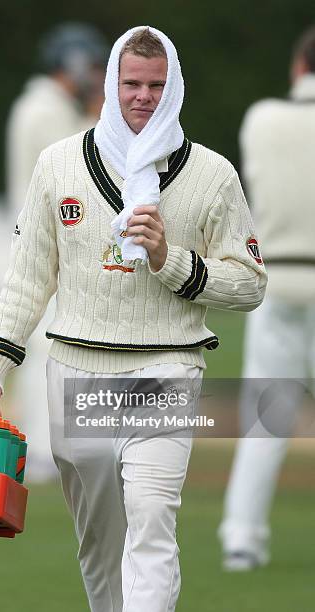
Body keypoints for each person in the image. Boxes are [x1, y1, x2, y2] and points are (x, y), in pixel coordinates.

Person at [0, 26, 266, 612]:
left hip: (166, 367)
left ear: (173, 87)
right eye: (131, 83)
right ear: (110, 83)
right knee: (102, 542)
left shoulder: (212, 175)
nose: (143, 97)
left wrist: (168, 260)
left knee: (152, 520)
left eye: (157, 85)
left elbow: (251, 286)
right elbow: (27, 281)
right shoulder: (57, 165)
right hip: (76, 369)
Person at [218, 26, 315, 572]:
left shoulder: (262, 118)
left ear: (299, 68)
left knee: (267, 419)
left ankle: (242, 538)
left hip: (275, 280)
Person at [6, 23, 108, 482]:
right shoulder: (43, 110)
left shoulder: (44, 107)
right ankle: (45, 452)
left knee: (51, 347)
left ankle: (52, 448)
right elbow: (76, 167)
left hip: (44, 243)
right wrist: (97, 117)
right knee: (47, 348)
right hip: (42, 245)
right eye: (90, 65)